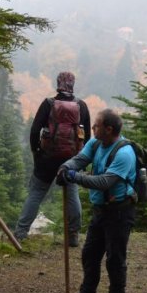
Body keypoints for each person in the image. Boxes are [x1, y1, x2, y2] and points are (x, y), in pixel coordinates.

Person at [57, 108, 137, 293]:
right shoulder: (96, 143)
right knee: (90, 254)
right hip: (101, 211)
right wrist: (65, 168)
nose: (92, 128)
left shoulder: (124, 153)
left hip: (120, 212)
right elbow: (80, 159)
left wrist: (74, 177)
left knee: (115, 259)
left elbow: (104, 182)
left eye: (96, 126)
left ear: (108, 129)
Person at [13, 71, 92, 245]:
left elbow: (34, 131)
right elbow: (87, 136)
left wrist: (36, 152)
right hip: (71, 159)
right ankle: (72, 236)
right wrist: (82, 159)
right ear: (73, 84)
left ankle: (20, 232)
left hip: (47, 159)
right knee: (72, 193)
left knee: (36, 193)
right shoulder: (82, 106)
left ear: (58, 83)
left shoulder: (48, 104)